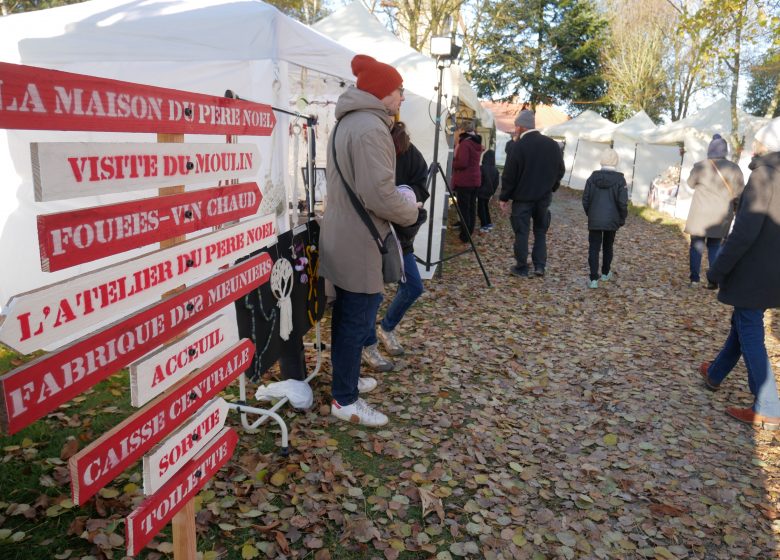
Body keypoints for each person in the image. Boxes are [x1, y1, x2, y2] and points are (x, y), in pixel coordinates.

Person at [320, 55, 419, 427]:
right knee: (355, 319)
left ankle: (346, 382)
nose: (402, 98)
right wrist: (411, 209)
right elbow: (379, 195)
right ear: (381, 93)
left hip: (347, 235)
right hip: (359, 241)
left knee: (350, 317)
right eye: (398, 91)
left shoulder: (352, 122)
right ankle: (345, 399)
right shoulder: (370, 128)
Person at [699, 120, 780, 429]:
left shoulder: (763, 176)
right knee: (743, 322)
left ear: (766, 145)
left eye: (757, 140)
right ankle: (715, 373)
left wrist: (717, 271)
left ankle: (769, 405)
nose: (753, 145)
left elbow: (744, 233)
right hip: (772, 270)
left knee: (749, 329)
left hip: (755, 270)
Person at [368, 122, 429, 362]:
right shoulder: (369, 147)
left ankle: (387, 327)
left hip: (399, 236)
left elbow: (421, 185)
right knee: (373, 294)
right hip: (370, 233)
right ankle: (368, 344)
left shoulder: (409, 151)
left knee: (413, 286)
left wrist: (409, 197)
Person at [499, 109, 565, 277]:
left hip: (523, 199)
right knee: (540, 232)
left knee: (522, 232)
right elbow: (560, 170)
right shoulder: (552, 145)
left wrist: (504, 197)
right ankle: (539, 266)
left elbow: (509, 174)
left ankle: (522, 267)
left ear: (521, 127)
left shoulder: (518, 146)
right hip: (543, 198)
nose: (515, 129)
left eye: (516, 126)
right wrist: (552, 187)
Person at [684, 134, 745, 289]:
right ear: (725, 150)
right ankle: (713, 281)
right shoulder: (734, 168)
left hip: (699, 214)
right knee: (715, 247)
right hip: (721, 215)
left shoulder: (700, 165)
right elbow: (739, 193)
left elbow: (690, 184)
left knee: (696, 246)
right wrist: (737, 210)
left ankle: (695, 280)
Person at [582, 148, 628, 289]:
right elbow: (622, 202)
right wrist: (622, 218)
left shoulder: (592, 178)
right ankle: (605, 273)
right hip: (612, 219)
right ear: (616, 161)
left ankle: (593, 278)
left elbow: (585, 199)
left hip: (595, 218)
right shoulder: (620, 180)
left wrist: (590, 214)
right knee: (608, 246)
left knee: (594, 248)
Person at [452, 129, 484, 243]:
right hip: (474, 180)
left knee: (464, 209)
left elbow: (462, 163)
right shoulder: (476, 143)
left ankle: (465, 235)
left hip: (465, 181)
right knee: (471, 208)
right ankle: (469, 232)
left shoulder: (465, 144)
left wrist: (452, 162)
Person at [477, 149, 499, 232]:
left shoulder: (481, 168)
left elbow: (479, 180)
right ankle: (488, 223)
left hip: (481, 192)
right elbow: (496, 183)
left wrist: (477, 189)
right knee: (485, 207)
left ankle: (484, 225)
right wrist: (492, 192)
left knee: (481, 209)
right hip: (489, 192)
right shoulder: (495, 170)